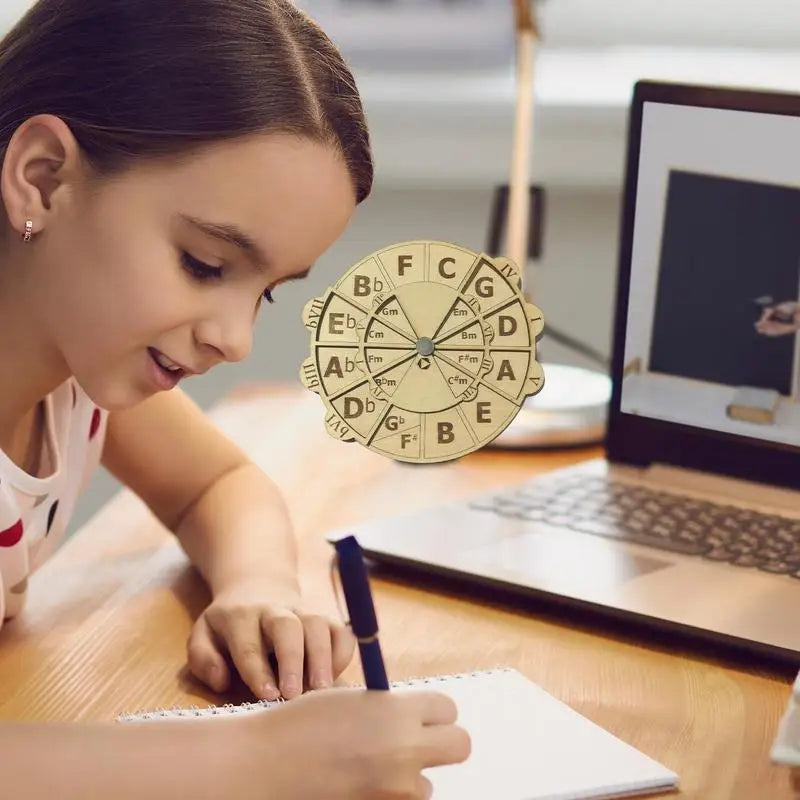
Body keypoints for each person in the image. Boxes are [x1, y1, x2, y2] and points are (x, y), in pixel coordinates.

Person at [0, 1, 470, 797]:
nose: (236, 339)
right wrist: (254, 760)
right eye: (207, 265)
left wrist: (259, 588)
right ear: (43, 178)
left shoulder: (72, 378)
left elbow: (216, 485)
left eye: (268, 294)